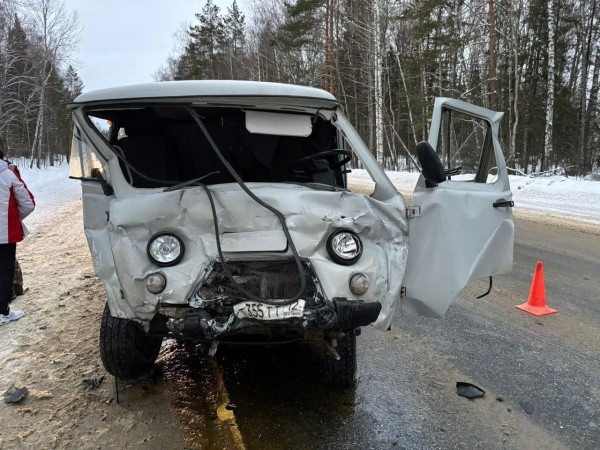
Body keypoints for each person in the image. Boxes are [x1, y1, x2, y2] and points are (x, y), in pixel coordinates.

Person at [0, 148, 35, 325]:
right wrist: (13, 217)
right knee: (5, 270)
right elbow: (28, 203)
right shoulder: (8, 174)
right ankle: (2, 311)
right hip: (5, 232)